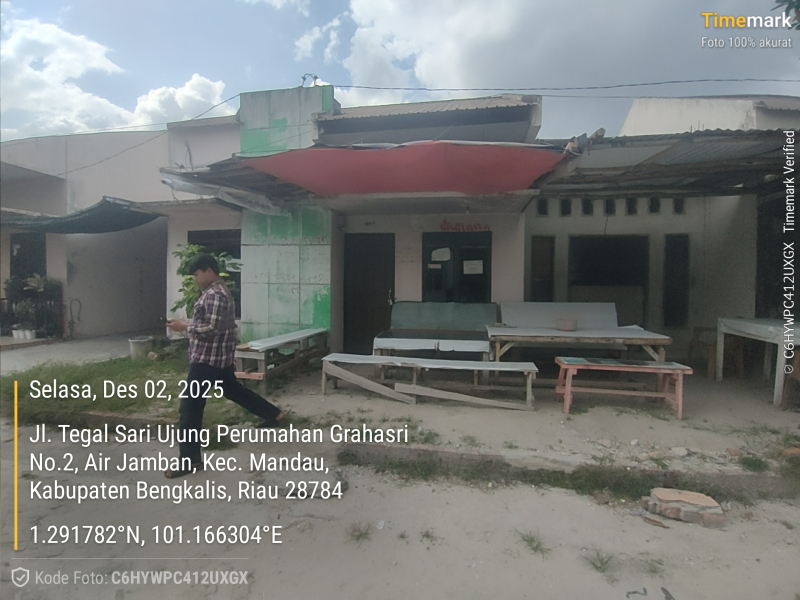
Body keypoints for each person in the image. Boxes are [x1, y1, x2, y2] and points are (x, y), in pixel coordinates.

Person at [165, 253, 284, 478]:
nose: (195, 279)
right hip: (219, 358)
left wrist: (185, 327)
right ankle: (274, 414)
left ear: (208, 271)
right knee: (235, 391)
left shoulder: (215, 294)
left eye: (196, 274)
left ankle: (190, 460)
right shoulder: (217, 292)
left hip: (207, 360)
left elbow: (212, 329)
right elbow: (212, 324)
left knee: (189, 408)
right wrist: (186, 324)